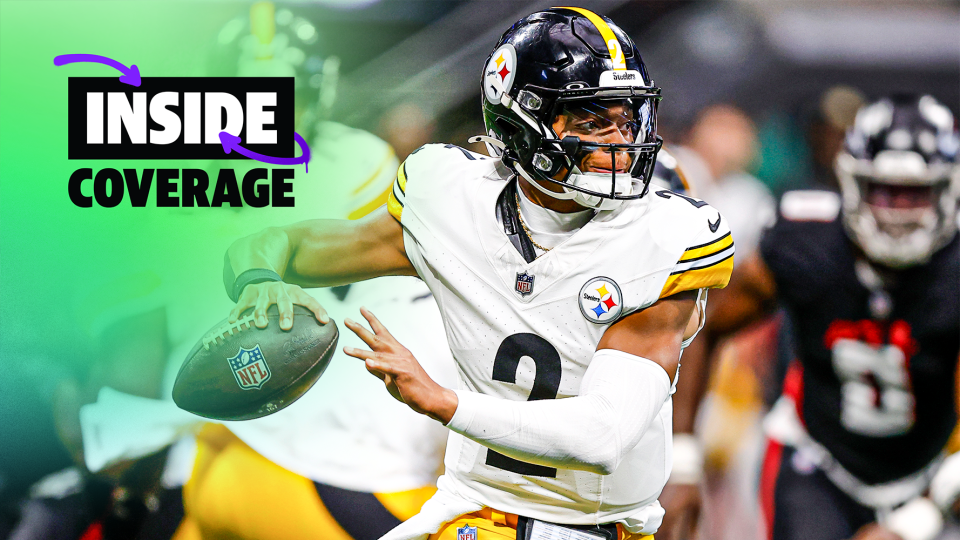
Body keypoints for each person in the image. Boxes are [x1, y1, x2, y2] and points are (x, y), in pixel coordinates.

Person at [224, 8, 734, 539]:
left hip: (590, 528)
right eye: (590, 121)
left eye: (627, 120)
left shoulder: (662, 238)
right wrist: (256, 279)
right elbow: (282, 244)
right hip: (471, 514)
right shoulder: (448, 201)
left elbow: (603, 436)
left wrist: (445, 402)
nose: (619, 144)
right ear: (519, 121)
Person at [688, 94, 960, 540]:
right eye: (884, 191)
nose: (897, 213)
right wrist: (681, 453)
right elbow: (700, 323)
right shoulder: (805, 241)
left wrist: (921, 516)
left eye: (915, 193)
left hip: (931, 469)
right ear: (853, 182)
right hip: (818, 456)